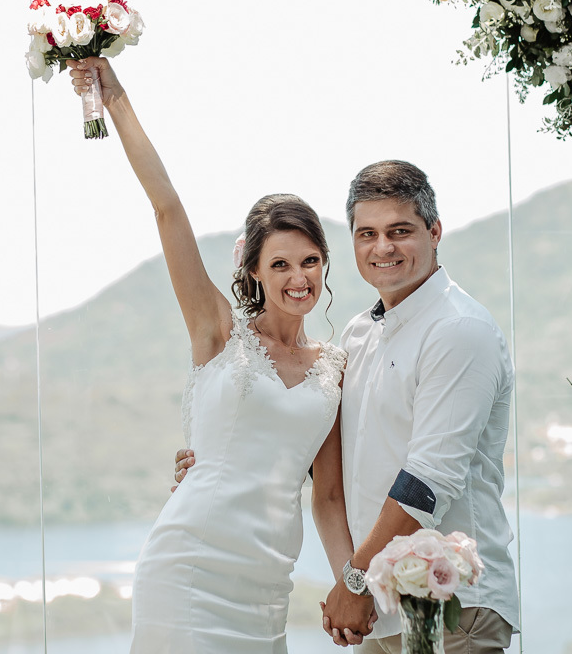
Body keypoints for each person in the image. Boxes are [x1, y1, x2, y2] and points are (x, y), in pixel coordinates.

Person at [65, 57, 369, 653]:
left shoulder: (335, 367)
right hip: (188, 569)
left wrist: (348, 583)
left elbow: (327, 496)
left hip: (264, 585)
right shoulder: (217, 332)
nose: (297, 277)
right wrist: (117, 96)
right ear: (253, 270)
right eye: (279, 263)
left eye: (309, 261)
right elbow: (167, 208)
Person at [177, 161, 519, 653]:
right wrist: (210, 463)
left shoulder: (459, 330)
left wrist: (355, 583)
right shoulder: (357, 336)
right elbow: (326, 479)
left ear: (435, 231)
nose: (383, 247)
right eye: (368, 233)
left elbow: (429, 481)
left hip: (453, 609)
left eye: (400, 231)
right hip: (379, 613)